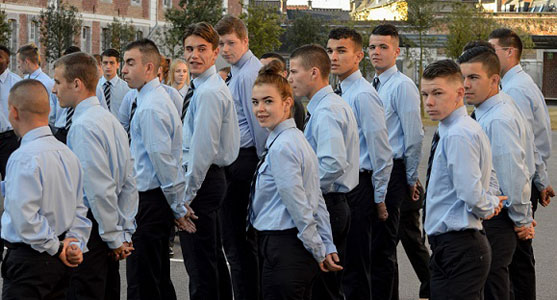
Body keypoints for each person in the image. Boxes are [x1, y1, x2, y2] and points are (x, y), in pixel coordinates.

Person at [250, 61, 341, 300]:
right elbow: (315, 198)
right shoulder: (293, 138)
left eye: (268, 101)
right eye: (255, 102)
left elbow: (301, 206)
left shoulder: (283, 146)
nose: (260, 108)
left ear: (287, 103)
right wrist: (326, 244)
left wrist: (319, 249)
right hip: (290, 247)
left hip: (285, 248)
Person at [51, 52, 138, 300]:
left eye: (58, 82)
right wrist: (123, 230)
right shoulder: (108, 119)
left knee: (85, 291)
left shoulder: (83, 126)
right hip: (107, 224)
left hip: (91, 227)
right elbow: (129, 181)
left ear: (76, 83)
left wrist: (113, 236)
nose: (54, 90)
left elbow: (98, 189)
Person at [421, 59, 505, 300]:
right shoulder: (453, 127)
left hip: (460, 246)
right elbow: (489, 176)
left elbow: (470, 192)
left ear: (459, 93)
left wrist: (488, 205)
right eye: (425, 93)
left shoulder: (459, 133)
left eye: (437, 93)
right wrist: (489, 198)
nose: (429, 101)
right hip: (450, 246)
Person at [458, 42, 536, 300]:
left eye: (473, 78)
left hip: (498, 217)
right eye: (463, 77)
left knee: (495, 289)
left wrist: (523, 220)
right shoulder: (489, 111)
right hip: (494, 213)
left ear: (494, 79)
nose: (465, 85)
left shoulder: (497, 118)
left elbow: (512, 174)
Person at [1, 79, 91, 299]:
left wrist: (57, 247)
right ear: (49, 109)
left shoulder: (23, 157)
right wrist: (73, 242)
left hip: (29, 260)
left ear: (13, 112)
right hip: (58, 260)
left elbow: (25, 219)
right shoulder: (67, 153)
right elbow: (79, 208)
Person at [326, 27, 394, 300]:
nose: (333, 56)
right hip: (340, 188)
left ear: (358, 56)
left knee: (355, 268)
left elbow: (381, 151)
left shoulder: (363, 94)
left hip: (359, 186)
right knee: (340, 266)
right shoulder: (338, 91)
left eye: (341, 51)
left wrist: (379, 197)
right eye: (330, 50)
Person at [288, 44, 359, 300]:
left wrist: (303, 189)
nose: (290, 78)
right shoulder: (326, 105)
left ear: (314, 72)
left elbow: (333, 163)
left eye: (294, 71)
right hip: (330, 202)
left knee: (324, 288)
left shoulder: (328, 110)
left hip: (328, 203)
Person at [121, 38, 189, 300]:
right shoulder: (153, 99)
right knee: (157, 277)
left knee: (143, 281)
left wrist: (177, 207)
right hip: (153, 200)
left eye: (130, 63)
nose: (123, 70)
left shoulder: (150, 106)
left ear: (149, 68)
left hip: (150, 201)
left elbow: (164, 164)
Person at [488, 28, 554, 300]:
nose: (487, 57)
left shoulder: (514, 89)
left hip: (516, 187)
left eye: (492, 51)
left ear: (509, 52)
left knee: (517, 264)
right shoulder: (519, 83)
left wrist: (539, 181)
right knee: (517, 263)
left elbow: (524, 148)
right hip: (522, 184)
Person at [179, 21, 240, 300]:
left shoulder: (209, 92)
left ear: (215, 53)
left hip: (203, 181)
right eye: (189, 49)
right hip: (208, 179)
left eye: (202, 49)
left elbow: (202, 152)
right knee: (210, 259)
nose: (194, 55)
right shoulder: (202, 87)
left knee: (201, 266)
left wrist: (185, 199)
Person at [368, 24, 424, 300]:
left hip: (395, 172)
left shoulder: (402, 86)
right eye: (372, 47)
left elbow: (413, 136)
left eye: (383, 47)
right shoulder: (372, 84)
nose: (376, 52)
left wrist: (411, 178)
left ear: (396, 51)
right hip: (376, 171)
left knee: (384, 247)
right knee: (379, 245)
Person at [215, 15, 264, 300]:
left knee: (238, 242)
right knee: (236, 242)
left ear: (245, 41)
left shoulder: (248, 74)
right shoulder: (236, 71)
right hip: (237, 161)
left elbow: (259, 127)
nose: (225, 49)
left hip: (245, 162)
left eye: (231, 43)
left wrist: (259, 168)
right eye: (221, 43)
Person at [0, 45, 21, 263]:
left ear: (7, 59)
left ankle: (10, 231)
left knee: (11, 185)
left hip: (8, 139)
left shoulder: (15, 82)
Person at [260, 52, 306, 131]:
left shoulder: (293, 104)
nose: (265, 75)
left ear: (284, 74)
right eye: (262, 70)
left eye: (270, 71)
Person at [95, 48, 131, 116]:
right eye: (105, 63)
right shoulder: (94, 87)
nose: (108, 66)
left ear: (118, 65)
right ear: (101, 64)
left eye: (112, 63)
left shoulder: (127, 89)